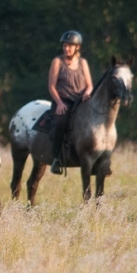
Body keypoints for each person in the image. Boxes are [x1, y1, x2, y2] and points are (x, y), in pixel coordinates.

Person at [48, 30, 93, 174]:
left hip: (80, 102)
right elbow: (51, 86)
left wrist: (87, 92)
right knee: (59, 123)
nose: (66, 48)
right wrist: (59, 103)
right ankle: (56, 159)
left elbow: (89, 85)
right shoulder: (57, 62)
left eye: (70, 46)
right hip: (63, 101)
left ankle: (98, 158)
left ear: (77, 47)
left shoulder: (83, 63)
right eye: (65, 45)